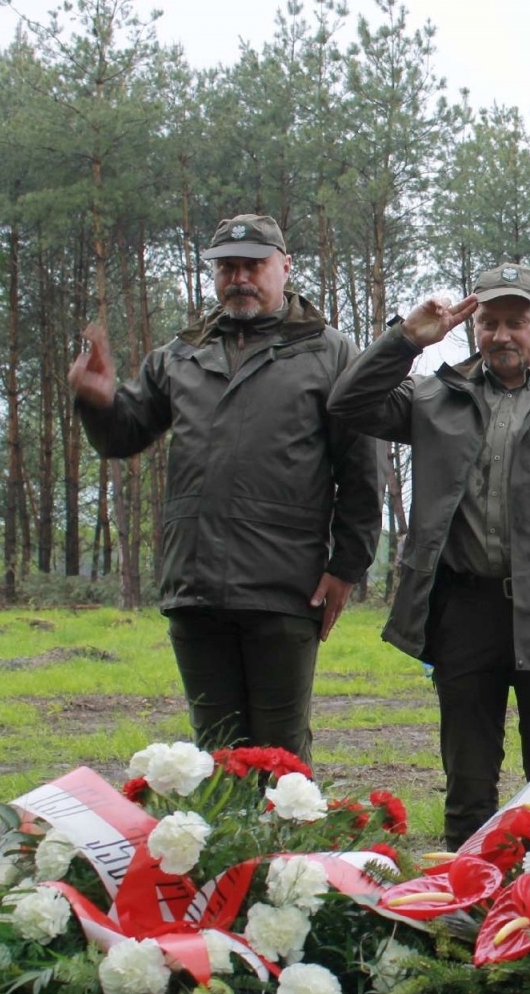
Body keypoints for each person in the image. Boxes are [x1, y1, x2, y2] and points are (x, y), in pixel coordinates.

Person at [327, 262, 530, 850]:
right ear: (474, 328)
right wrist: (407, 340)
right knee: (468, 783)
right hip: (464, 612)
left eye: (516, 322)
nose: (502, 335)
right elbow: (348, 403)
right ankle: (465, 890)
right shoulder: (435, 396)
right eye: (489, 323)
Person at [68, 214, 382, 766]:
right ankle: (222, 828)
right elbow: (123, 436)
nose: (239, 278)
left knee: (280, 757)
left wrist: (347, 566)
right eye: (227, 268)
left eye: (253, 266)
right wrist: (99, 400)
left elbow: (359, 471)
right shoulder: (180, 354)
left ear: (285, 266)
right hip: (195, 586)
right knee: (213, 757)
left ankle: (288, 829)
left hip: (285, 585)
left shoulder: (330, 353)